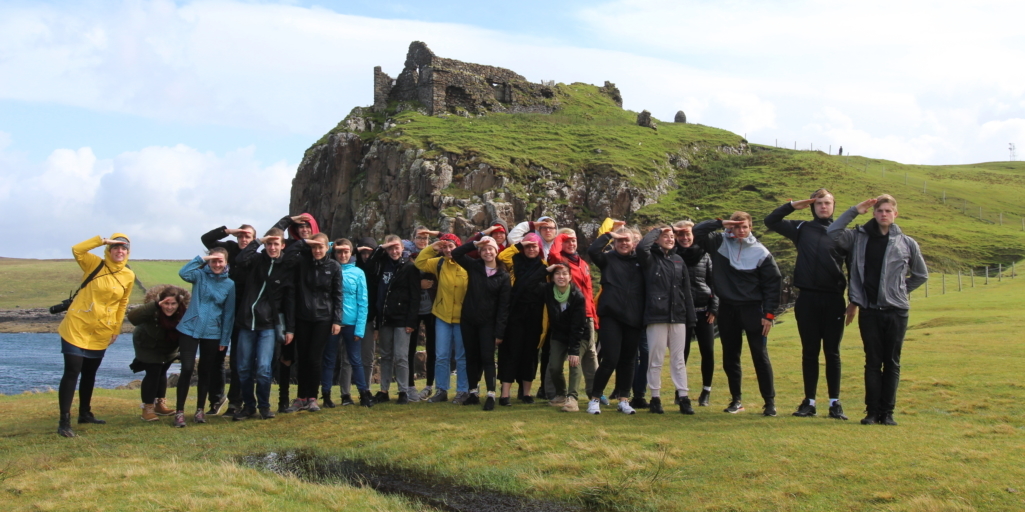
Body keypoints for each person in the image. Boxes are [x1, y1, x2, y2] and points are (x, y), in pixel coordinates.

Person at [827, 195, 927, 426]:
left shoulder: (907, 243)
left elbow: (921, 274)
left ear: (895, 214)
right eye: (880, 210)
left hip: (897, 311)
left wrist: (899, 291)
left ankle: (887, 413)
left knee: (892, 362)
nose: (884, 214)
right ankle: (871, 412)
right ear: (873, 213)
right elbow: (832, 233)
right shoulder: (857, 237)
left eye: (888, 211)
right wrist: (854, 210)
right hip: (870, 310)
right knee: (872, 362)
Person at [764, 190, 850, 420]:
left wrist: (854, 301)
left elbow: (853, 268)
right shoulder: (801, 228)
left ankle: (834, 403)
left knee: (832, 352)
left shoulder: (844, 233)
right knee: (810, 351)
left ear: (834, 206)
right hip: (807, 299)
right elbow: (770, 221)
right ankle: (809, 402)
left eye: (827, 203)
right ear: (813, 206)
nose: (823, 207)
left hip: (834, 300)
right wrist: (793, 205)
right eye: (819, 203)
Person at [693, 213, 781, 416]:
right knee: (730, 356)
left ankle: (769, 403)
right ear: (730, 227)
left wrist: (769, 314)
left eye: (745, 227)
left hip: (753, 309)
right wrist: (720, 223)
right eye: (737, 226)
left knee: (760, 355)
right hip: (727, 309)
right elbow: (697, 232)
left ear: (751, 228)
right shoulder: (719, 243)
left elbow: (772, 284)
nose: (741, 231)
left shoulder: (761, 252)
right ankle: (736, 400)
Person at [56, 235, 135, 437]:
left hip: (101, 330)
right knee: (72, 370)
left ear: (128, 252)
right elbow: (77, 249)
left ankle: (85, 413)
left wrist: (116, 328)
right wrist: (102, 240)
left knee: (90, 372)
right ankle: (64, 421)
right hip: (77, 326)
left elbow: (123, 303)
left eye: (124, 248)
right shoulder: (94, 264)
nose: (119, 251)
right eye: (115, 247)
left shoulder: (128, 275)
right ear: (109, 250)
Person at [232, 228, 297, 420]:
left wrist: (290, 329)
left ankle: (264, 406)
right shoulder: (257, 260)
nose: (272, 247)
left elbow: (289, 301)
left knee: (263, 368)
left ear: (283, 245)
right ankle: (248, 406)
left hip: (268, 324)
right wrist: (259, 241)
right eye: (269, 243)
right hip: (246, 322)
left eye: (276, 244)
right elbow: (240, 259)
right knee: (244, 368)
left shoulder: (285, 268)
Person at [636, 226, 696, 415]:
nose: (670, 239)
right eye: (666, 236)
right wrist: (659, 229)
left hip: (678, 315)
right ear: (657, 239)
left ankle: (684, 397)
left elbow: (686, 290)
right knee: (656, 358)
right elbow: (641, 247)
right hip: (656, 315)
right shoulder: (649, 258)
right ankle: (655, 397)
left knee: (678, 359)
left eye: (672, 236)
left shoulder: (678, 260)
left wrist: (691, 317)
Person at [587, 220, 645, 415]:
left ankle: (624, 399)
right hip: (611, 316)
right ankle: (595, 398)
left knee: (628, 360)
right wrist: (610, 234)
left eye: (627, 240)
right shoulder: (607, 259)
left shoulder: (641, 260)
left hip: (634, 317)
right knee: (610, 359)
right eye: (620, 241)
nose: (624, 243)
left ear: (634, 243)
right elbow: (593, 250)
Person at [173, 249, 236, 427]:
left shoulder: (229, 284)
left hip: (212, 332)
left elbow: (228, 314)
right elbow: (183, 273)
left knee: (205, 371)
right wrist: (203, 258)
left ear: (226, 263)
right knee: (187, 369)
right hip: (189, 328)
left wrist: (224, 339)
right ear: (208, 261)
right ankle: (179, 412)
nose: (217, 264)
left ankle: (200, 410)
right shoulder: (199, 276)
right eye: (213, 261)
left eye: (220, 261)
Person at [282, 233, 342, 413]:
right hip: (303, 317)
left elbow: (338, 294)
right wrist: (303, 242)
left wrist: (337, 320)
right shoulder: (302, 263)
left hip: (323, 318)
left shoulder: (334, 266)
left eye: (320, 247)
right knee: (302, 358)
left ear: (327, 248)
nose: (317, 250)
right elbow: (287, 257)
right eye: (314, 247)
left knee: (315, 358)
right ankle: (301, 398)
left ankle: (312, 398)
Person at [200, 223, 256, 416]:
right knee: (216, 358)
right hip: (219, 313)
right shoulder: (229, 249)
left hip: (242, 314)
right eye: (241, 235)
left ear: (254, 239)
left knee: (237, 360)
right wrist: (229, 231)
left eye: (248, 236)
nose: (244, 239)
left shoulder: (255, 257)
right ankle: (216, 399)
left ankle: (235, 402)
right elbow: (206, 239)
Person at [452, 236, 511, 411]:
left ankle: (491, 394)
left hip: (488, 323)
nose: (487, 252)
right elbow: (456, 253)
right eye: (484, 250)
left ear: (496, 251)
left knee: (487, 358)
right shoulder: (474, 266)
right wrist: (474, 243)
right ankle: (473, 393)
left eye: (490, 249)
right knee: (471, 357)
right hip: (469, 320)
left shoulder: (503, 275)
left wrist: (499, 332)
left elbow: (504, 306)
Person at [545, 229, 599, 406]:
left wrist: (594, 316)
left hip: (586, 314)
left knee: (589, 355)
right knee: (557, 359)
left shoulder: (583, 264)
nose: (571, 244)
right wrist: (561, 235)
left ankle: (595, 393)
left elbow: (589, 292)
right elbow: (553, 253)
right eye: (567, 241)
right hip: (567, 315)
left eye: (574, 240)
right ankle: (556, 393)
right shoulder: (561, 262)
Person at [415, 232, 470, 404]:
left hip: (462, 317)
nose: (447, 250)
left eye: (450, 246)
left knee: (461, 356)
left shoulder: (467, 264)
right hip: (442, 316)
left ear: (458, 247)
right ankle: (441, 390)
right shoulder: (439, 263)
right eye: (444, 247)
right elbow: (419, 262)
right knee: (441, 355)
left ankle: (463, 390)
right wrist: (433, 248)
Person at [274, 214, 320, 412]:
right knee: (287, 354)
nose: (304, 230)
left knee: (310, 356)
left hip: (309, 310)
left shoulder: (319, 248)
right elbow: (274, 235)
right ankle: (284, 400)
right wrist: (288, 219)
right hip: (288, 305)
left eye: (307, 226)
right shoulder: (291, 246)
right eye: (300, 226)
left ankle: (311, 396)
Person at [497, 233, 549, 405]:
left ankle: (526, 393)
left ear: (539, 247)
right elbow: (502, 256)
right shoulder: (515, 261)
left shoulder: (544, 266)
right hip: (515, 315)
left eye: (534, 246)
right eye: (528, 246)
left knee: (530, 354)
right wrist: (520, 244)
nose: (531, 249)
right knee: (511, 352)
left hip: (535, 316)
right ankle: (505, 394)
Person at [321, 239, 374, 407]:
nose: (343, 255)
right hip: (332, 323)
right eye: (339, 252)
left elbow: (363, 302)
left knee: (355, 360)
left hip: (351, 323)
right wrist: (333, 246)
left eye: (346, 252)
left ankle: (363, 394)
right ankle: (326, 395)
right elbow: (321, 248)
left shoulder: (358, 273)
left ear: (351, 253)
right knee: (329, 360)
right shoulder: (329, 268)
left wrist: (360, 329)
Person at [368, 235, 421, 404]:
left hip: (402, 318)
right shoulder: (382, 265)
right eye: (390, 248)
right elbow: (369, 264)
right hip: (385, 318)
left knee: (401, 356)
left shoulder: (409, 267)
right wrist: (381, 248)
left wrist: (412, 321)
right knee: (385, 355)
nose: (394, 251)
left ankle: (403, 391)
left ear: (403, 248)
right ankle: (383, 390)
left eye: (396, 247)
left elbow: (415, 296)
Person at [127, 285, 190, 421]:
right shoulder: (152, 310)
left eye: (173, 304)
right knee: (154, 371)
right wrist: (155, 305)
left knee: (162, 371)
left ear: (179, 304)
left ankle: (160, 404)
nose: (169, 307)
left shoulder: (183, 313)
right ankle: (148, 408)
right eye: (166, 303)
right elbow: (132, 318)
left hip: (169, 347)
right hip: (147, 344)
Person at [673, 220, 718, 407]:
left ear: (694, 235)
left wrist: (714, 307)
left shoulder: (705, 255)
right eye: (680, 234)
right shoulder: (671, 255)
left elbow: (713, 282)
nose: (685, 238)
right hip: (682, 313)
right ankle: (680, 391)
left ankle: (706, 391)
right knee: (681, 353)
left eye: (688, 234)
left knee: (707, 351)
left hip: (704, 311)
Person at [540, 263, 588, 412]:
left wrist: (574, 351)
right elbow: (531, 282)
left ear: (570, 277)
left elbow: (578, 326)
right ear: (552, 277)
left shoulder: (577, 296)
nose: (561, 277)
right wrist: (545, 270)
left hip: (579, 335)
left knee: (574, 362)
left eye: (564, 273)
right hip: (559, 334)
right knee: (554, 367)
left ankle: (572, 398)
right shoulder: (548, 290)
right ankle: (561, 394)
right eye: (557, 273)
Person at [409, 228, 438, 401]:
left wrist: (435, 234)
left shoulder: (434, 256)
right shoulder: (407, 257)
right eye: (419, 237)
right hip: (413, 309)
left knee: (433, 348)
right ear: (413, 239)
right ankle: (410, 386)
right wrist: (417, 283)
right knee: (410, 348)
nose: (422, 240)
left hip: (432, 308)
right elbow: (403, 280)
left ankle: (429, 385)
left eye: (425, 238)